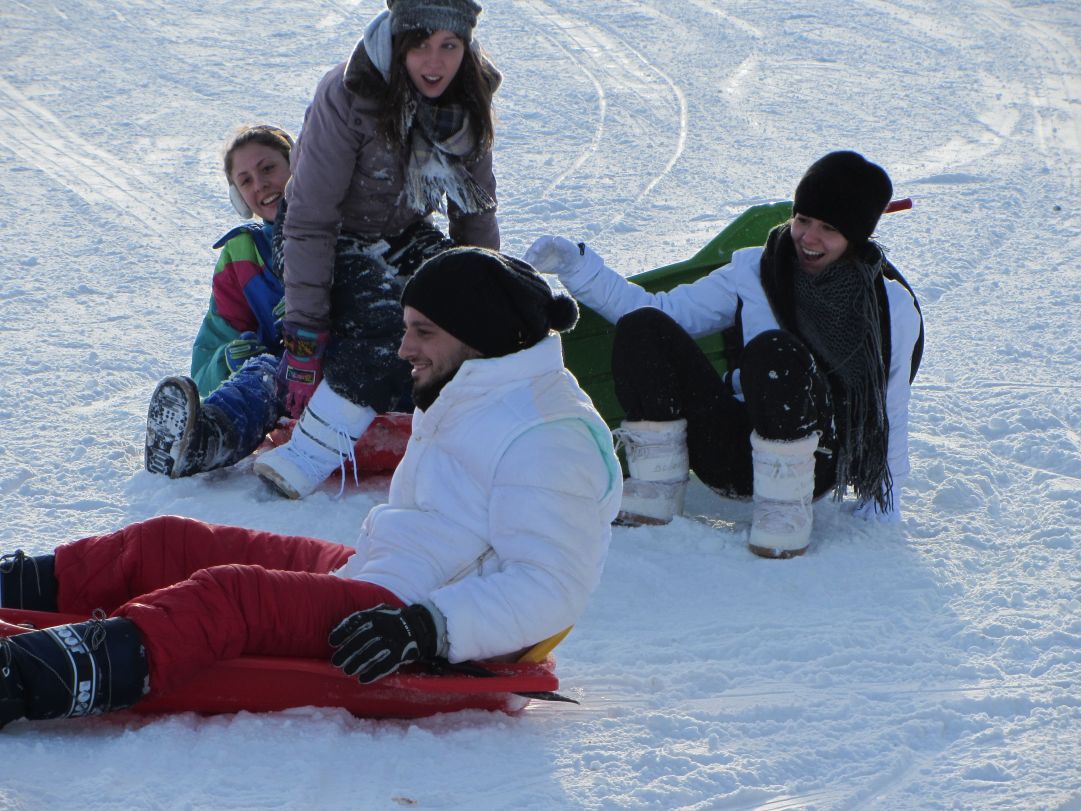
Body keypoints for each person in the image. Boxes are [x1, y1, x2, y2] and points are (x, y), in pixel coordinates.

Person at [0, 248, 621, 729]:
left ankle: (22, 679)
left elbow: (552, 585)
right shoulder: (482, 387)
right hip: (386, 571)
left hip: (406, 611)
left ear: (479, 334)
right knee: (169, 541)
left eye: (423, 331)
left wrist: (423, 630)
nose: (404, 347)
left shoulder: (548, 435)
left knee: (227, 598)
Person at [525, 151, 923, 559]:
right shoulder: (755, 269)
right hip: (729, 449)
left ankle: (784, 514)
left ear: (856, 237)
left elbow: (891, 401)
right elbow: (661, 311)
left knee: (775, 352)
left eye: (829, 228)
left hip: (815, 462)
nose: (808, 238)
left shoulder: (888, 305)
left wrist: (885, 494)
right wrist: (577, 266)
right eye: (802, 219)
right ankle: (657, 490)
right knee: (643, 325)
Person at [254, 0, 503, 500]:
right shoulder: (349, 94)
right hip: (322, 234)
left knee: (467, 316)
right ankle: (308, 448)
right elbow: (309, 218)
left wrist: (488, 304)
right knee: (399, 322)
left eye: (448, 46)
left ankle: (473, 436)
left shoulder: (468, 97)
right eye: (420, 46)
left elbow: (474, 213)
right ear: (398, 41)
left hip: (404, 231)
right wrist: (305, 338)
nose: (435, 63)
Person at [144, 124, 294, 479]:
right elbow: (205, 366)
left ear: (298, 165)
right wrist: (227, 359)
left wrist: (324, 309)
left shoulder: (344, 226)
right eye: (245, 180)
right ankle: (202, 442)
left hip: (343, 366)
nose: (260, 185)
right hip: (285, 382)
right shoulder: (240, 255)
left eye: (269, 168)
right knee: (264, 373)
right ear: (238, 197)